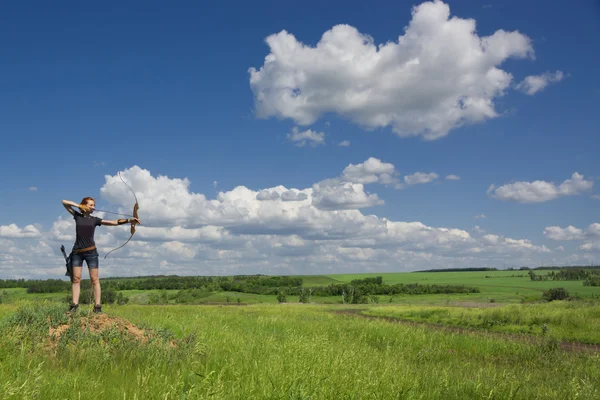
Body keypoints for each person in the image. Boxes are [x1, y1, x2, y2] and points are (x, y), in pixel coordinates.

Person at [62, 197, 141, 313]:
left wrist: (130, 221)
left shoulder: (95, 220)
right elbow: (64, 203)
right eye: (90, 205)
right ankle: (74, 306)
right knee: (76, 279)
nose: (93, 207)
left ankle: (97, 307)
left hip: (91, 252)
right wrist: (79, 206)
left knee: (94, 279)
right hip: (77, 253)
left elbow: (113, 222)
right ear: (84, 205)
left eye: (94, 205)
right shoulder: (77, 216)